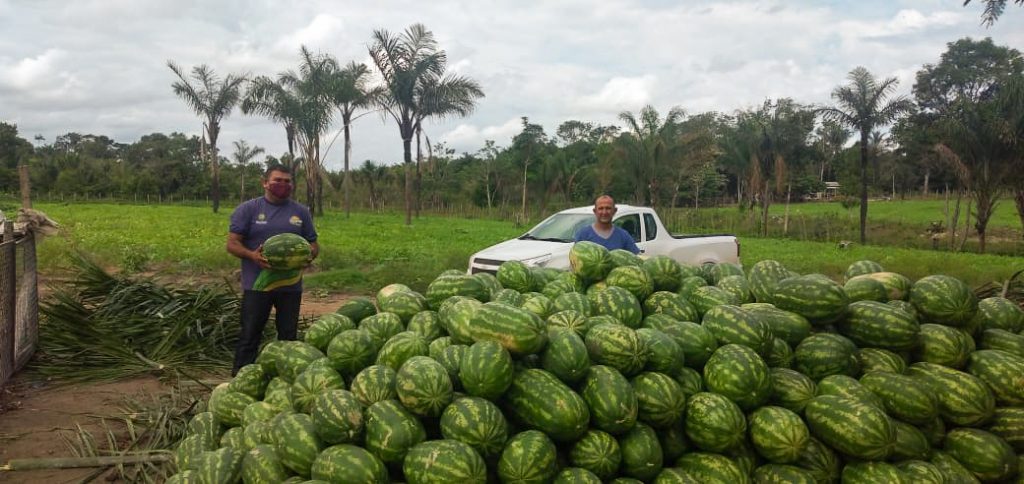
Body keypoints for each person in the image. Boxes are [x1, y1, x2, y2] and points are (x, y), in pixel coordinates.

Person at [227, 164, 319, 375]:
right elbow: (232, 244)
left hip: (290, 285)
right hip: (258, 285)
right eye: (278, 180)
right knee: (250, 334)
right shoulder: (248, 209)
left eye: (287, 181)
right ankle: (240, 378)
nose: (283, 185)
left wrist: (309, 256)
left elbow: (313, 244)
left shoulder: (301, 212)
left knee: (288, 336)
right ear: (265, 183)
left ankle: (285, 378)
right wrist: (253, 256)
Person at [573, 195, 640, 254]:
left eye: (608, 208)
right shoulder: (583, 235)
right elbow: (574, 261)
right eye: (600, 208)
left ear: (614, 211)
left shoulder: (623, 235)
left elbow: (637, 257)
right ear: (595, 211)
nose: (604, 212)